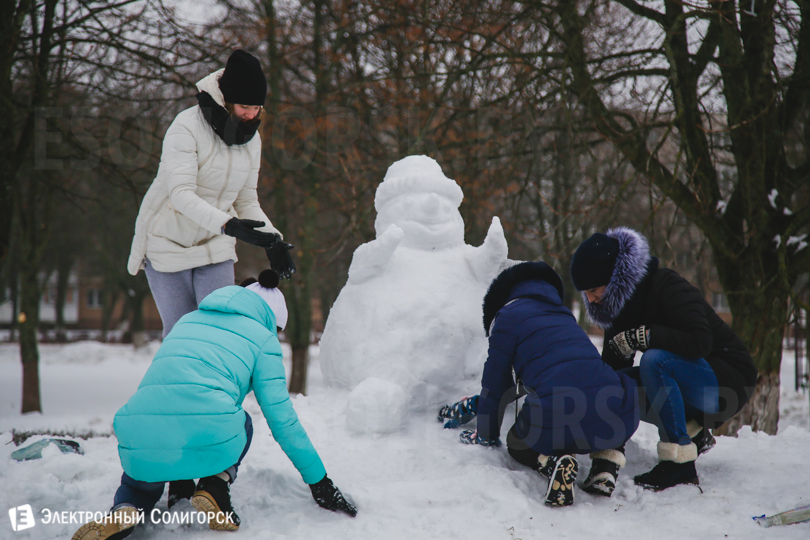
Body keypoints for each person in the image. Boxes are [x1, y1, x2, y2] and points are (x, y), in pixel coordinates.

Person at [71, 270, 356, 540]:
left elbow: (169, 390)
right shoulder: (263, 339)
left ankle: (125, 509)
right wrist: (320, 482)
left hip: (138, 432)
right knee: (240, 420)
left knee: (140, 478)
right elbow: (282, 419)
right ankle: (215, 484)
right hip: (208, 432)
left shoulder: (187, 321)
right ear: (272, 318)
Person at [570, 227, 758, 491]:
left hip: (728, 381)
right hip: (691, 384)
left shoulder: (667, 285)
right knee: (619, 383)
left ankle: (679, 464)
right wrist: (606, 459)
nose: (590, 299)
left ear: (614, 279)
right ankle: (692, 432)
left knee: (654, 361)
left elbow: (700, 341)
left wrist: (645, 336)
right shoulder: (616, 310)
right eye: (584, 293)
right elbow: (613, 378)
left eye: (593, 289)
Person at [127, 49, 295, 340]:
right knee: (183, 337)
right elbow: (180, 193)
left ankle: (217, 387)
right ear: (226, 98)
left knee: (219, 334)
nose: (251, 114)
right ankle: (176, 386)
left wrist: (273, 240)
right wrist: (229, 225)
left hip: (214, 246)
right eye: (244, 106)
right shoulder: (186, 126)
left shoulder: (250, 141)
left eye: (257, 108)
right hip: (169, 244)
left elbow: (246, 201)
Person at [440, 261, 639, 507]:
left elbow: (496, 383)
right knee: (606, 390)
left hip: (560, 412)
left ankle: (553, 462)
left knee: (517, 442)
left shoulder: (507, 317)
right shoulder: (564, 315)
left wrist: (486, 433)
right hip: (615, 415)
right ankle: (606, 466)